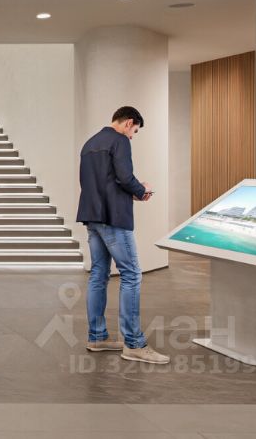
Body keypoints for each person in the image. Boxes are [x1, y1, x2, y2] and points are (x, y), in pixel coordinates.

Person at [75, 105, 169, 364]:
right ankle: (134, 344)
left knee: (98, 274)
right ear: (129, 123)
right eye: (134, 131)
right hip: (114, 218)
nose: (132, 136)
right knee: (131, 274)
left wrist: (131, 190)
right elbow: (125, 178)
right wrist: (142, 190)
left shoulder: (90, 143)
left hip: (92, 217)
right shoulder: (119, 141)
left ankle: (97, 337)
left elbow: (96, 182)